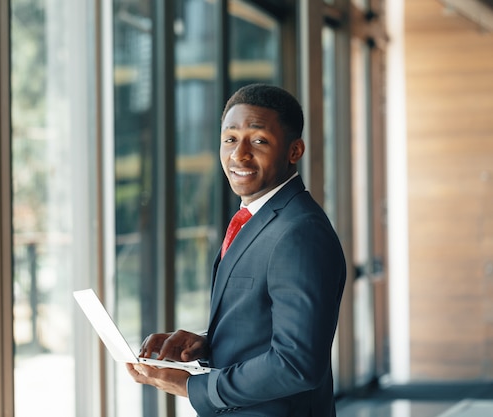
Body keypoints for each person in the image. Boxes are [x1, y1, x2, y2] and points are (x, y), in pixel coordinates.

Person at [127, 83, 346, 416]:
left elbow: (297, 364)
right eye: (230, 139)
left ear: (294, 151)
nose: (239, 154)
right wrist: (205, 344)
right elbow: (263, 326)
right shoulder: (256, 220)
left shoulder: (300, 232)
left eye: (259, 141)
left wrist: (192, 387)